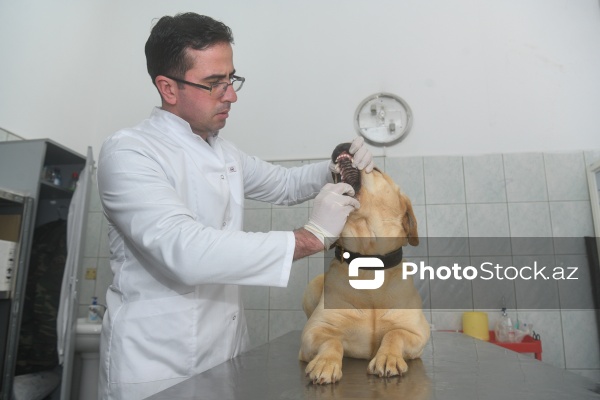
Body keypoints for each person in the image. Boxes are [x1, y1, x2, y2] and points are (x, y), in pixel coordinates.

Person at [96, 12, 373, 400]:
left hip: (223, 354)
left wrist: (338, 162)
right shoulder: (130, 152)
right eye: (214, 84)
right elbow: (186, 251)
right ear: (168, 88)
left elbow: (284, 184)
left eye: (231, 79)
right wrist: (311, 237)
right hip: (157, 364)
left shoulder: (221, 151)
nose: (231, 96)